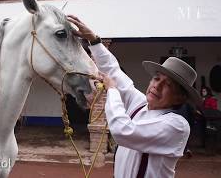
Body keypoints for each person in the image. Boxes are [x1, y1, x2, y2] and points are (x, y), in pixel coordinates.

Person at [67, 15, 201, 178]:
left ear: (180, 98)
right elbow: (113, 71)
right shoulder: (140, 104)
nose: (156, 86)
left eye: (168, 85)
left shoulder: (177, 126)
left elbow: (123, 132)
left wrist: (112, 91)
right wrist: (94, 41)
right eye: (157, 78)